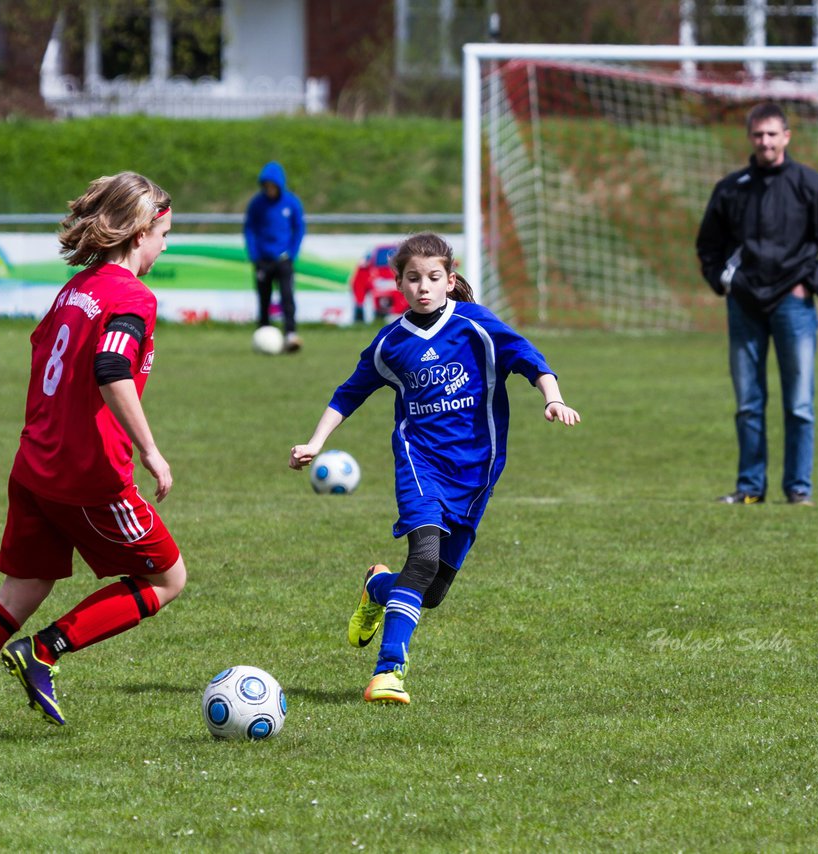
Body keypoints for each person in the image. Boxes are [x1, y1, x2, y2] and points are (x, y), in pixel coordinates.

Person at [0, 172, 188, 738]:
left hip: (35, 464)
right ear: (139, 234)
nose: (165, 246)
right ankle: (45, 651)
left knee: (21, 591)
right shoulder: (132, 296)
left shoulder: (77, 288)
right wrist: (152, 451)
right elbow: (112, 369)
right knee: (166, 578)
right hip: (88, 475)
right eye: (164, 235)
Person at [289, 232, 581, 705]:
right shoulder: (392, 343)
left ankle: (377, 587)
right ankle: (388, 672)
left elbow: (531, 360)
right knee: (422, 560)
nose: (423, 286)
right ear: (399, 283)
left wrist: (553, 398)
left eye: (433, 277)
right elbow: (349, 393)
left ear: (449, 278)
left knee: (432, 591)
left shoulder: (477, 326)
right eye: (413, 278)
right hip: (420, 464)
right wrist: (315, 442)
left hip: (476, 473)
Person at [696, 102, 818, 507]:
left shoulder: (812, 186)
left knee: (799, 403)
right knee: (748, 403)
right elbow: (708, 246)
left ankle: (798, 489)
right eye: (757, 135)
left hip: (793, 305)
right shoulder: (732, 189)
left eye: (772, 134)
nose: (764, 142)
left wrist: (812, 283)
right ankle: (750, 488)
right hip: (745, 304)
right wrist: (724, 282)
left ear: (787, 136)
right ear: (750, 138)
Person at [243, 161, 306, 352]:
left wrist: (292, 253)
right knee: (264, 298)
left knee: (287, 296)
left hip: (284, 260)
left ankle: (290, 334)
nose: (270, 190)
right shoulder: (257, 204)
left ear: (279, 185)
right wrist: (255, 254)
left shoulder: (291, 202)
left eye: (273, 186)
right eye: (266, 186)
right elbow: (249, 229)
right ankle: (263, 334)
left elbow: (299, 228)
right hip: (263, 260)